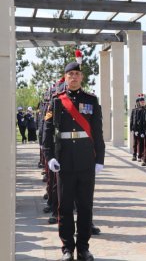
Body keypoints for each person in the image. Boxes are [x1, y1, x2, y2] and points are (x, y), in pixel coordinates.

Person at [43, 60, 105, 261]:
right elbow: (47, 130)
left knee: (86, 206)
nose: (74, 77)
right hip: (65, 160)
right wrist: (50, 156)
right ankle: (67, 249)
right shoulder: (57, 100)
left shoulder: (92, 100)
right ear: (65, 77)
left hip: (86, 160)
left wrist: (100, 159)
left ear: (82, 77)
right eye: (70, 75)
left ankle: (83, 249)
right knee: (65, 207)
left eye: (77, 74)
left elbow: (97, 131)